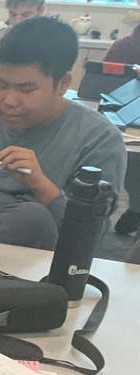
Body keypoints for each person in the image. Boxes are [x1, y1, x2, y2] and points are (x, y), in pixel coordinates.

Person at [0, 18, 126, 249]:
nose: (9, 101)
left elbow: (91, 235)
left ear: (63, 83)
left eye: (26, 89)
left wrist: (40, 184)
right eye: (0, 84)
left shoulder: (99, 138)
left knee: (31, 219)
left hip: (34, 256)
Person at [103, 23, 140, 235]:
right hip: (128, 126)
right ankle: (136, 208)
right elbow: (103, 90)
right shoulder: (122, 48)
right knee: (129, 160)